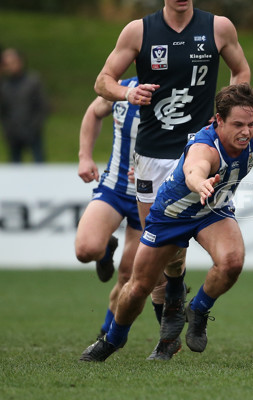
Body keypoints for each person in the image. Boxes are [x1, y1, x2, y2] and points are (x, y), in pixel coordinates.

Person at [80, 83, 253, 362]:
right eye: (238, 124)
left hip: (213, 210)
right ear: (218, 120)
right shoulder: (205, 147)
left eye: (250, 123)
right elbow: (193, 170)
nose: (246, 131)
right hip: (171, 215)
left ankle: (197, 309)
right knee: (139, 286)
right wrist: (201, 184)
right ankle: (111, 340)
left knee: (232, 261)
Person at [92, 0, 251, 360]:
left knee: (222, 257)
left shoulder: (218, 27)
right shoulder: (139, 31)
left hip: (202, 151)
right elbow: (102, 81)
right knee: (163, 255)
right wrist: (126, 93)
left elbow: (241, 72)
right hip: (151, 156)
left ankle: (172, 332)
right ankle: (174, 296)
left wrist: (224, 113)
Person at [75, 77, 160, 340]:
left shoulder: (182, 95)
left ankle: (106, 333)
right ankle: (104, 252)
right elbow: (94, 111)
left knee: (130, 275)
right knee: (86, 250)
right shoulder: (124, 87)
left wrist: (155, 171)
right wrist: (85, 156)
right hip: (114, 186)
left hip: (149, 196)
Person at [0, 47, 50, 163]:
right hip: (13, 133)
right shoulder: (4, 85)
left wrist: (34, 127)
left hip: (32, 131)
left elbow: (42, 106)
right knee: (15, 166)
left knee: (39, 163)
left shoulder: (33, 81)